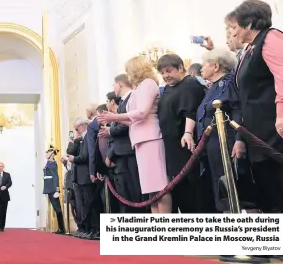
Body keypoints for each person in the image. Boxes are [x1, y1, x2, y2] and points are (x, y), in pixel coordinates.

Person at [99, 56, 171, 214]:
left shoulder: (148, 84)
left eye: (128, 70)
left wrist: (115, 117)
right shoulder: (138, 89)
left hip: (151, 138)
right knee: (150, 190)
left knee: (160, 187)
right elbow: (133, 120)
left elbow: (142, 112)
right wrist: (113, 123)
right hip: (139, 139)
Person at [232, 0, 283, 214]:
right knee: (269, 198)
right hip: (257, 136)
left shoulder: (271, 38)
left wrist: (281, 115)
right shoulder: (250, 50)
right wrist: (242, 138)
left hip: (274, 132)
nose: (234, 32)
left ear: (249, 23)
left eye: (236, 26)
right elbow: (246, 97)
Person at [196, 48, 258, 213]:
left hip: (227, 142)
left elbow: (238, 111)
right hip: (213, 144)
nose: (201, 68)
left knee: (238, 188)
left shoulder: (227, 83)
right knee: (222, 189)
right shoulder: (214, 86)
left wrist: (239, 139)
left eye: (204, 64)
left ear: (215, 66)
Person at [157, 53, 208, 213]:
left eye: (169, 71)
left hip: (186, 148)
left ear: (180, 67)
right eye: (162, 72)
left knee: (193, 197)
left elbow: (190, 111)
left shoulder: (190, 84)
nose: (165, 76)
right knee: (181, 196)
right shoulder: (168, 89)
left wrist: (187, 132)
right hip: (173, 151)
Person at [42, 146, 65, 235]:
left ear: (51, 154)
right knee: (56, 208)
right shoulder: (48, 163)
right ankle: (60, 228)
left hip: (52, 188)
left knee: (57, 208)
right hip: (48, 187)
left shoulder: (53, 164)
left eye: (48, 152)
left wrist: (57, 190)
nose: (46, 154)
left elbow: (55, 177)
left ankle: (61, 228)